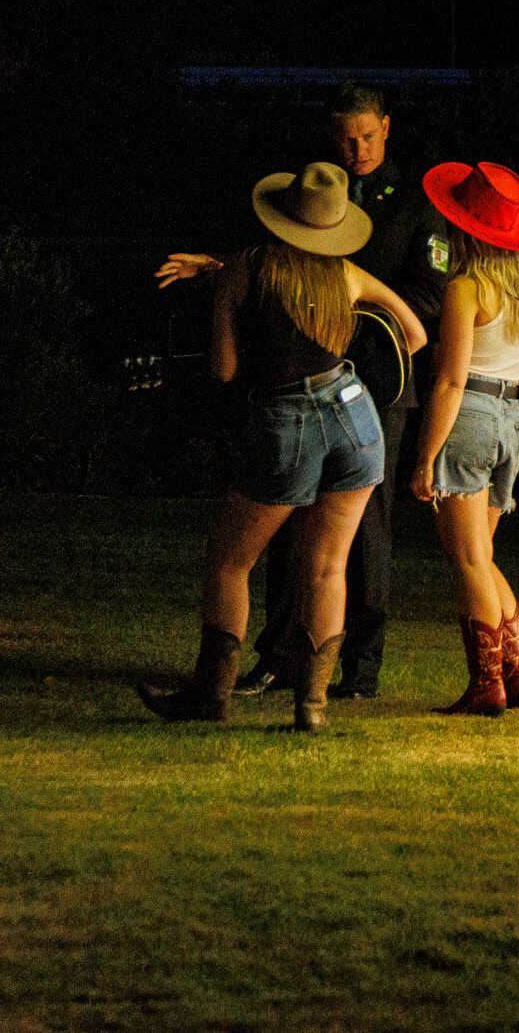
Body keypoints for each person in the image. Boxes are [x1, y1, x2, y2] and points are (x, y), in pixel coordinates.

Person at [157, 83, 451, 699]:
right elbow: (284, 267)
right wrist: (222, 268)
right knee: (298, 537)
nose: (357, 147)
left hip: (373, 386)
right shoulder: (322, 202)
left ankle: (359, 668)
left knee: (359, 537)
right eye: (346, 136)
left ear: (387, 128)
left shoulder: (414, 208)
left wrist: (349, 337)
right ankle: (286, 665)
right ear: (330, 136)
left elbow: (425, 304)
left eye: (367, 135)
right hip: (338, 398)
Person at [409, 161, 519, 716]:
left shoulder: (467, 287)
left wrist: (425, 458)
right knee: (483, 554)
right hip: (511, 418)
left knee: (468, 559)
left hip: (469, 416)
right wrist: (503, 377)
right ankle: (516, 674)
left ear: (463, 227)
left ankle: (486, 685)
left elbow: (449, 379)